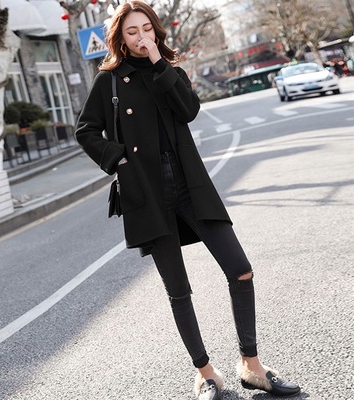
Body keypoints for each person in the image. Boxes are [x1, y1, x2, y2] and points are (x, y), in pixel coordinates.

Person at [75, 2, 300, 399]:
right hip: (147, 192)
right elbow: (86, 130)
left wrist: (158, 61)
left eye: (147, 28)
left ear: (156, 31)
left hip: (189, 185)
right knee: (178, 290)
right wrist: (119, 159)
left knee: (240, 269)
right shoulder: (109, 81)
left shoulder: (170, 72)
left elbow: (189, 110)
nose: (141, 37)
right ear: (120, 39)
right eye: (132, 31)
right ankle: (205, 374)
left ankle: (251, 366)